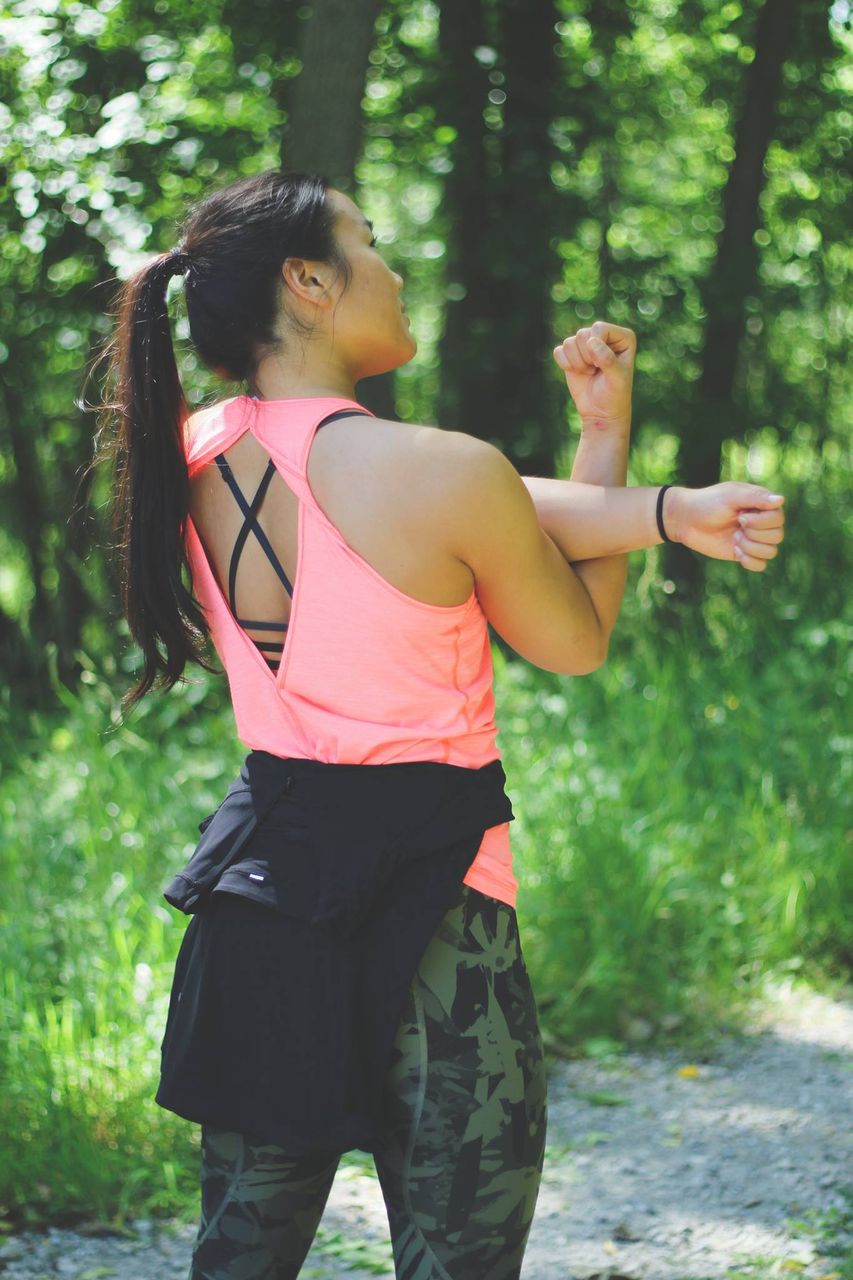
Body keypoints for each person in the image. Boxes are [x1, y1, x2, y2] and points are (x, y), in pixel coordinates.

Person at [96, 169, 785, 1280]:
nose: (396, 269)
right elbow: (572, 633)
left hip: (261, 893)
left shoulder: (195, 448)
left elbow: (488, 491)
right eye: (370, 244)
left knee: (238, 1258)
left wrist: (658, 505)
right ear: (309, 280)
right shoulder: (434, 472)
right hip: (437, 914)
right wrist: (618, 452)